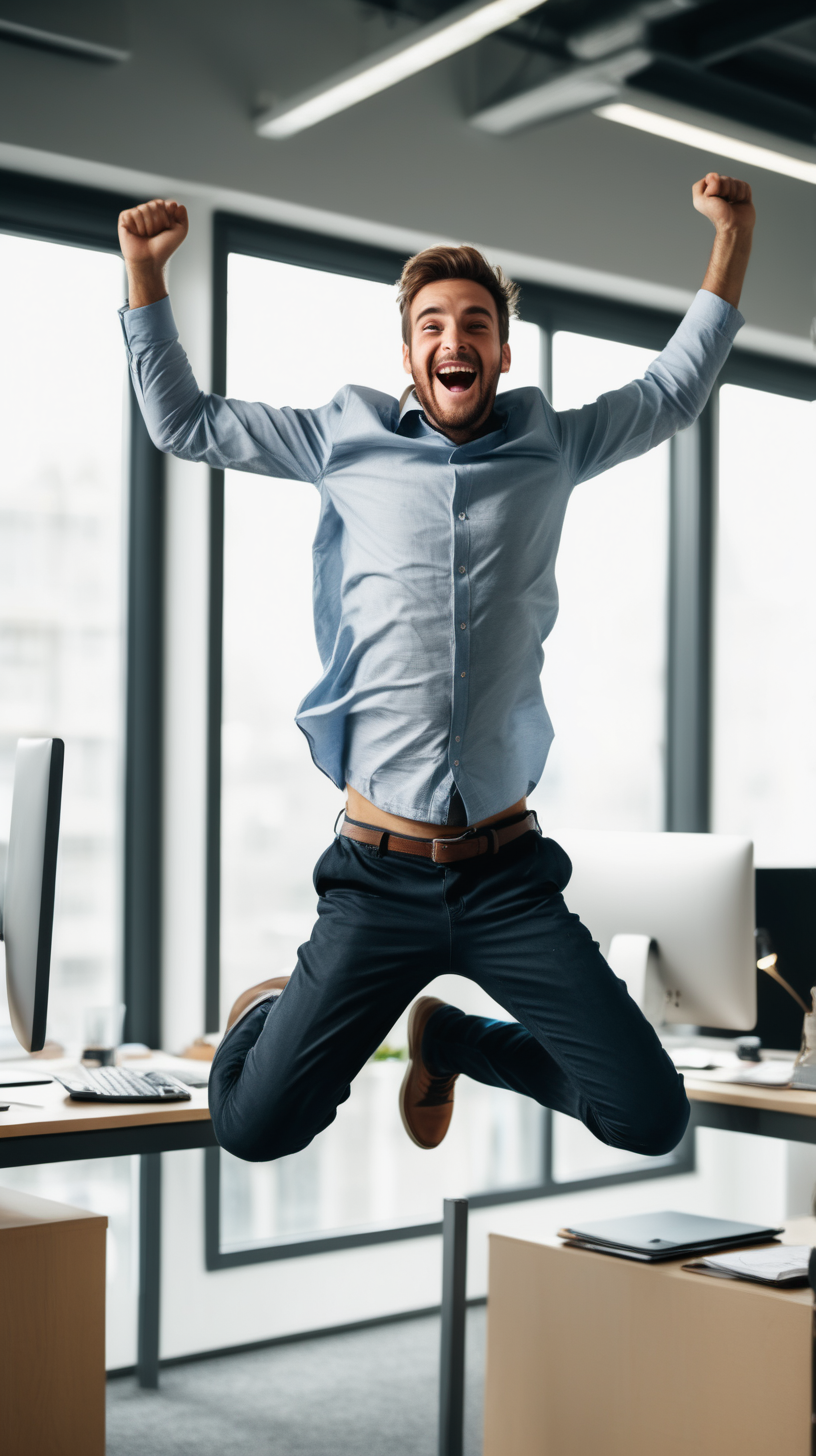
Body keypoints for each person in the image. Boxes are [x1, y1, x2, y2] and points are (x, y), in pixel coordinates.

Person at [118, 173, 755, 1163]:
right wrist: (146, 275)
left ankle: (455, 1039)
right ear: (409, 352)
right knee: (252, 1126)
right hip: (378, 878)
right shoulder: (344, 438)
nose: (452, 339)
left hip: (506, 878)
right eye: (430, 324)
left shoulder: (553, 446)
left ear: (501, 349)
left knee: (649, 1115)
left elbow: (673, 391)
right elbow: (185, 424)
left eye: (474, 323)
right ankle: (272, 1015)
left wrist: (733, 239)